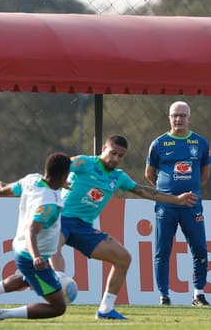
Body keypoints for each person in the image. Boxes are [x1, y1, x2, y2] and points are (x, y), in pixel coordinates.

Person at [49, 135, 199, 320]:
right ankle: (58, 280)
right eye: (113, 153)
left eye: (120, 156)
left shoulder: (118, 177)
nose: (116, 159)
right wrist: (60, 178)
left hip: (83, 227)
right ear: (104, 148)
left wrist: (176, 199)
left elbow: (144, 191)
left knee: (123, 258)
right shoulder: (85, 163)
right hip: (62, 217)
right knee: (54, 245)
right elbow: (61, 164)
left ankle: (106, 309)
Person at [0, 153, 71, 321]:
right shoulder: (49, 204)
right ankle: (1, 314)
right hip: (32, 255)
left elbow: (1, 189)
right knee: (58, 307)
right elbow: (32, 229)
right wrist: (36, 257)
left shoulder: (32, 180)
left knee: (25, 280)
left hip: (20, 247)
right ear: (64, 175)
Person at [145, 101, 211, 307]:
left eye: (182, 115)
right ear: (169, 118)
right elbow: (149, 174)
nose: (178, 119)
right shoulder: (158, 144)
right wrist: (168, 194)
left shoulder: (201, 143)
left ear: (189, 118)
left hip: (192, 205)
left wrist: (187, 190)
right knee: (162, 250)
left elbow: (204, 174)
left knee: (199, 248)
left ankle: (198, 294)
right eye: (174, 115)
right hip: (166, 206)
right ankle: (164, 296)